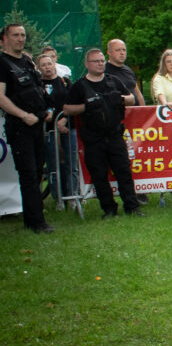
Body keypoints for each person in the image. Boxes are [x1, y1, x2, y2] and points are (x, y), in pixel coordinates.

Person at [63, 48, 144, 219]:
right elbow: (67, 109)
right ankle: (109, 209)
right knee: (99, 176)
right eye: (96, 61)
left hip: (115, 135)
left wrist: (120, 99)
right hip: (93, 138)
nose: (100, 64)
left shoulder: (113, 81)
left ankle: (132, 207)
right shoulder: (80, 86)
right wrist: (87, 106)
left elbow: (131, 99)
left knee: (124, 172)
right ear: (87, 64)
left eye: (102, 61)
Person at [0, 24, 53, 233]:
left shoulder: (27, 61)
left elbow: (38, 89)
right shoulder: (2, 63)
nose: (20, 38)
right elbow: (1, 97)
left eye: (22, 35)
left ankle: (34, 218)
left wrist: (46, 110)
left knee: (38, 172)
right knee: (29, 174)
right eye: (15, 35)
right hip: (20, 127)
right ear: (4, 39)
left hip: (37, 124)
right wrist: (23, 115)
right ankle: (36, 222)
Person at [39, 53, 71, 209]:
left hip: (66, 127)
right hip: (49, 130)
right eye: (43, 65)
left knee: (70, 161)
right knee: (53, 163)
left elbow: (72, 101)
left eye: (49, 64)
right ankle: (58, 196)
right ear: (39, 68)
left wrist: (64, 118)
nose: (47, 67)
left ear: (54, 64)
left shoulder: (64, 82)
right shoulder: (37, 85)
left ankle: (72, 194)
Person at [105, 39, 144, 107]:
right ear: (109, 52)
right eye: (118, 50)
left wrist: (143, 109)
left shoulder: (128, 70)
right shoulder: (104, 72)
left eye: (124, 50)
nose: (122, 53)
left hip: (136, 111)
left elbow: (138, 93)